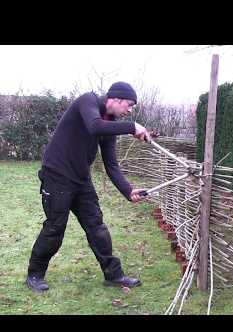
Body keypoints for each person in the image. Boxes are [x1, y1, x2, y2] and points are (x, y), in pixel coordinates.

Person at [26, 81, 152, 293]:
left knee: (97, 226)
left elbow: (111, 165)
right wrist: (132, 127)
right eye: (129, 105)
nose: (129, 110)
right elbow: (94, 126)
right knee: (55, 227)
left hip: (81, 178)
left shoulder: (110, 125)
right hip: (57, 175)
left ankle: (114, 275)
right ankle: (35, 274)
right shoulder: (88, 101)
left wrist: (128, 190)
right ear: (115, 99)